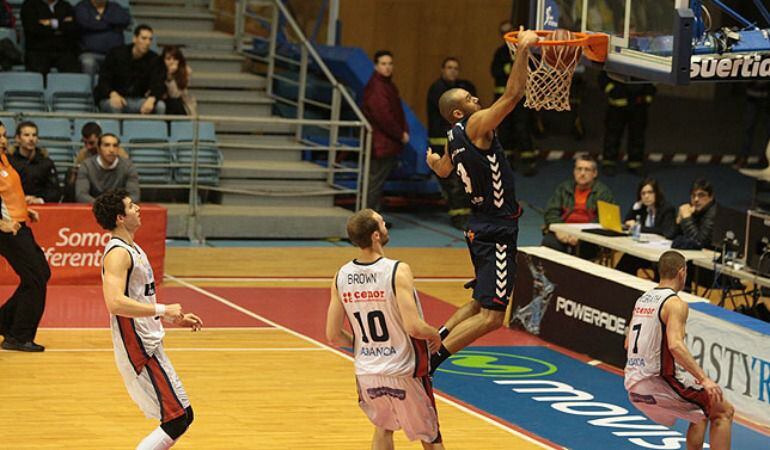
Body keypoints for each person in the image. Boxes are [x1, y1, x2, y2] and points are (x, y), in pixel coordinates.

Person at [425, 28, 539, 374]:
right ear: (459, 113)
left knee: (478, 302)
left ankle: (436, 337)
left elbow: (445, 171)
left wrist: (433, 165)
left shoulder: (450, 136)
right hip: (498, 228)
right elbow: (514, 94)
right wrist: (523, 51)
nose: (477, 101)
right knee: (492, 317)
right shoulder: (475, 125)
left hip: (478, 227)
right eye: (470, 99)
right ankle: (432, 360)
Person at [326, 208, 443, 449]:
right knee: (430, 437)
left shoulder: (341, 276)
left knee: (384, 428)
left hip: (368, 371)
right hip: (403, 370)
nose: (385, 225)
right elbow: (414, 327)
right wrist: (434, 334)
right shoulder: (397, 270)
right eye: (382, 223)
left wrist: (364, 346)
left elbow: (333, 335)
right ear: (376, 235)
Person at [94, 189, 202, 449]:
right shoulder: (118, 253)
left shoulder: (135, 248)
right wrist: (164, 310)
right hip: (138, 348)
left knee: (183, 416)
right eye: (132, 207)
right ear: (120, 217)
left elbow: (141, 299)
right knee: (177, 420)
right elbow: (115, 302)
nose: (138, 209)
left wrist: (174, 318)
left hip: (150, 340)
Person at [625, 250, 734, 450]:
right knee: (723, 410)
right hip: (656, 384)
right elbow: (675, 345)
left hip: (632, 386)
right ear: (682, 272)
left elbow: (627, 343)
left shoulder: (642, 299)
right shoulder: (675, 304)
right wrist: (704, 379)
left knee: (700, 412)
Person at [0, 120, 50, 352]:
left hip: (19, 224)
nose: (3, 141)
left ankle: (5, 324)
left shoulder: (4, 159)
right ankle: (18, 337)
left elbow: (7, 194)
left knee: (42, 273)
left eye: (4, 136)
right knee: (35, 279)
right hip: (8, 231)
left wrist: (24, 209)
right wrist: (2, 223)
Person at [427, 56, 476, 229]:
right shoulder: (437, 89)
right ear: (442, 70)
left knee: (463, 177)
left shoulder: (462, 89)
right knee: (452, 181)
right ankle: (458, 216)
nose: (452, 71)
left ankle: (466, 213)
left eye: (455, 68)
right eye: (449, 67)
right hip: (441, 140)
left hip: (459, 139)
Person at [361, 50, 409, 212]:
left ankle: (373, 218)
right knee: (374, 183)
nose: (387, 67)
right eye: (383, 64)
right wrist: (400, 133)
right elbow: (384, 116)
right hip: (381, 142)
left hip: (383, 141)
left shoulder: (385, 85)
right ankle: (369, 220)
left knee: (376, 182)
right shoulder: (378, 87)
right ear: (376, 66)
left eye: (390, 64)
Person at [541, 155, 614, 257]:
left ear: (595, 173)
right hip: (563, 230)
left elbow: (605, 220)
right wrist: (559, 230)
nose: (582, 173)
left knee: (585, 250)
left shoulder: (603, 193)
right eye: (579, 169)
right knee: (549, 243)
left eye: (587, 170)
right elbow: (551, 212)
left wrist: (581, 235)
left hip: (588, 235)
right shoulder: (563, 188)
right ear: (574, 172)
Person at [491, 20, 537, 176]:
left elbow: (534, 70)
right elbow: (495, 71)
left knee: (522, 127)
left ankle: (528, 161)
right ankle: (506, 160)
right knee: (505, 129)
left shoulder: (525, 51)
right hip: (503, 98)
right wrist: (508, 68)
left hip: (521, 98)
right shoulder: (500, 53)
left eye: (509, 30)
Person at [94, 24, 166, 114]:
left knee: (160, 106)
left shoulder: (155, 59)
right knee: (115, 105)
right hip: (112, 96)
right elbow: (104, 79)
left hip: (138, 99)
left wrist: (152, 98)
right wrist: (112, 94)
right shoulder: (116, 54)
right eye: (143, 38)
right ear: (134, 39)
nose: (147, 42)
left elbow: (158, 83)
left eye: (150, 39)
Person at [616, 178, 676, 276]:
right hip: (644, 249)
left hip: (660, 254)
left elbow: (665, 231)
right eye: (643, 194)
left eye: (650, 192)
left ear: (657, 193)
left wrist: (639, 227)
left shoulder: (667, 209)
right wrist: (634, 208)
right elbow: (626, 223)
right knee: (627, 259)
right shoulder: (641, 208)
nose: (646, 196)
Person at [599, 71, 655, 176]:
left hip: (639, 105)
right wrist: (613, 91)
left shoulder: (644, 61)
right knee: (613, 134)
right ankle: (609, 163)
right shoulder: (614, 61)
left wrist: (648, 95)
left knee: (637, 135)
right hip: (617, 106)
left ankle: (635, 164)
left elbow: (653, 80)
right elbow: (603, 78)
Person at [76, 133, 140, 203]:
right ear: (98, 149)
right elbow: (81, 195)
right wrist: (102, 206)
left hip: (120, 210)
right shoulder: (86, 166)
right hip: (94, 209)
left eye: (115, 146)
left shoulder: (128, 166)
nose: (111, 150)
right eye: (106, 145)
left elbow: (135, 196)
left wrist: (116, 207)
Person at [74, 0, 131, 77]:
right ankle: (90, 88)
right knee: (88, 62)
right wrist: (112, 25)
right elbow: (87, 24)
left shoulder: (115, 7)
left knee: (125, 62)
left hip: (114, 54)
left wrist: (100, 18)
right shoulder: (82, 7)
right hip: (91, 54)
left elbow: (125, 20)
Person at [8, 121, 62, 204]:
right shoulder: (9, 162)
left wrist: (39, 200)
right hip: (13, 207)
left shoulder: (47, 163)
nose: (31, 139)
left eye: (34, 135)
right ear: (18, 138)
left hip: (42, 208)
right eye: (26, 135)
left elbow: (55, 191)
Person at [20, 0, 79, 74]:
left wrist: (49, 24)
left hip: (63, 51)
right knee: (37, 72)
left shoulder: (66, 6)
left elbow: (72, 28)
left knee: (73, 70)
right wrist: (59, 27)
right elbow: (33, 29)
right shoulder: (29, 5)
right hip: (38, 50)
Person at [672, 178, 717, 250]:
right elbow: (671, 236)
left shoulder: (714, 213)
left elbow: (699, 242)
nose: (696, 199)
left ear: (711, 197)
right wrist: (679, 220)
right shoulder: (694, 210)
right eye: (693, 195)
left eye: (701, 195)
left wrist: (687, 218)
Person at [157, 46, 197, 115]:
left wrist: (170, 76)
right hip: (164, 103)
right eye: (168, 59)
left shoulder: (185, 72)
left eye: (175, 59)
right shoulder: (158, 71)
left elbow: (175, 95)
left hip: (181, 104)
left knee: (174, 103)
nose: (172, 62)